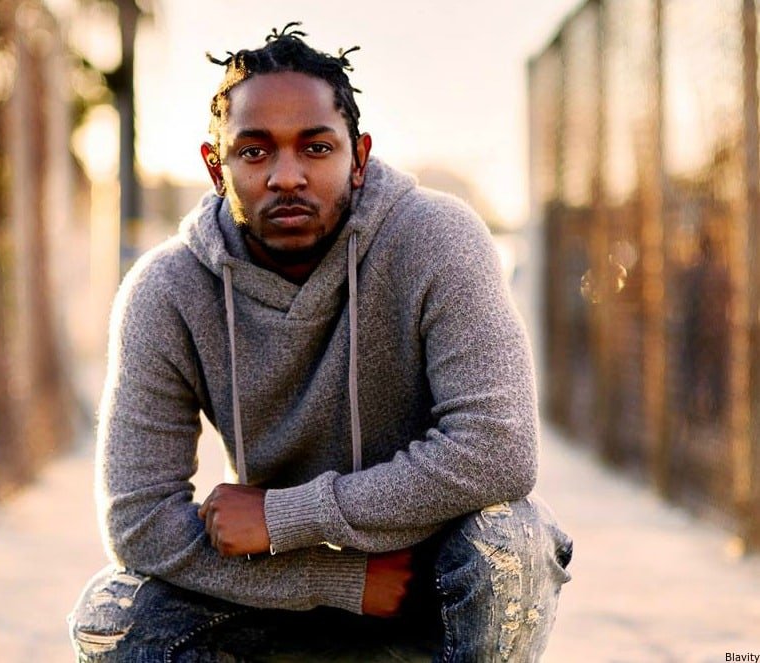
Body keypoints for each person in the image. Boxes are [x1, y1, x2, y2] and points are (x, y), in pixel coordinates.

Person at [69, 23, 572, 662]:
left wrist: (283, 515)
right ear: (216, 167)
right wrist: (338, 579)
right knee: (109, 617)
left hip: (424, 586)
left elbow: (499, 450)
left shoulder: (438, 240)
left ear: (357, 158)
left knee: (510, 539)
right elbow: (139, 519)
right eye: (255, 151)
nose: (287, 176)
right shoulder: (167, 291)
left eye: (315, 147)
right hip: (279, 587)